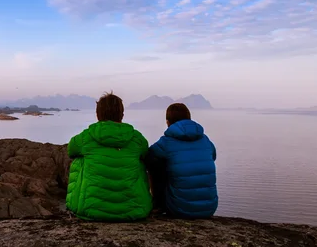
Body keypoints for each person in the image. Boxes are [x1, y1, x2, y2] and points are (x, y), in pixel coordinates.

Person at [66, 92, 152, 221]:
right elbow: (146, 155)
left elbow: (70, 150)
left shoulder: (86, 137)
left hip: (89, 209)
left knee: (79, 159)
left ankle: (83, 200)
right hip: (135, 210)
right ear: (122, 114)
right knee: (138, 160)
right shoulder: (137, 138)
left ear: (98, 114)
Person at [147, 102, 217, 218]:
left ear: (168, 122)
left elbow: (148, 158)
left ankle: (158, 205)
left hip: (178, 209)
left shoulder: (166, 143)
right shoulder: (206, 140)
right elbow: (212, 157)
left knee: (155, 163)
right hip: (209, 208)